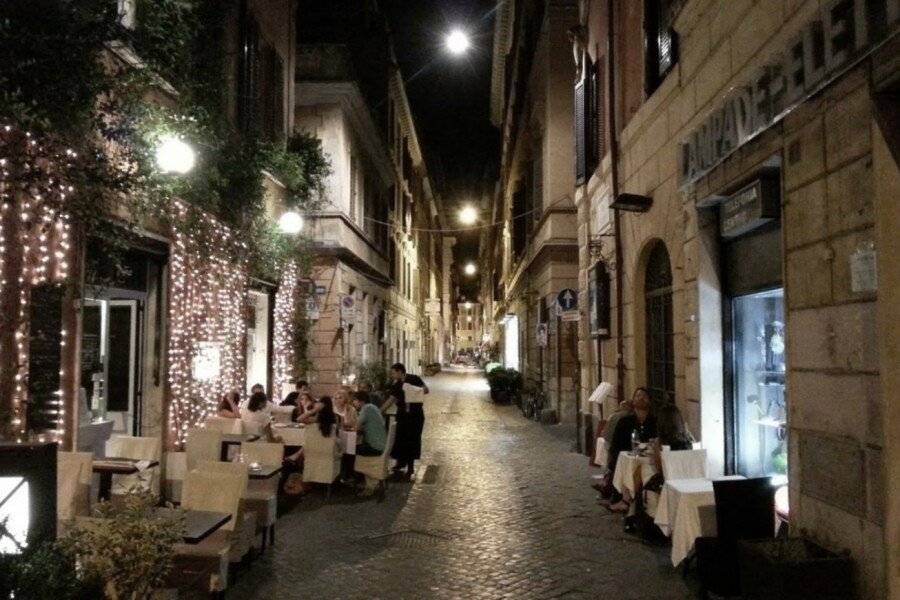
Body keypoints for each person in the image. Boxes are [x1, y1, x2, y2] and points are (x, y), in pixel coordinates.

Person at [608, 388, 657, 513]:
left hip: (649, 460)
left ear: (649, 401)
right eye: (637, 395)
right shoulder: (625, 422)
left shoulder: (655, 421)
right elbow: (615, 445)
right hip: (628, 458)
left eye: (644, 396)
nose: (641, 398)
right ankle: (629, 501)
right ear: (633, 400)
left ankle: (633, 503)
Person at [385, 363, 428, 479]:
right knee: (400, 439)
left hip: (415, 415)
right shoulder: (397, 384)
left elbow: (426, 390)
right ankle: (400, 463)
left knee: (412, 440)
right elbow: (391, 399)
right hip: (402, 415)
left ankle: (410, 468)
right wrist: (380, 410)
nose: (392, 375)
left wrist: (411, 389)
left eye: (393, 372)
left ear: (400, 372)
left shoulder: (414, 378)